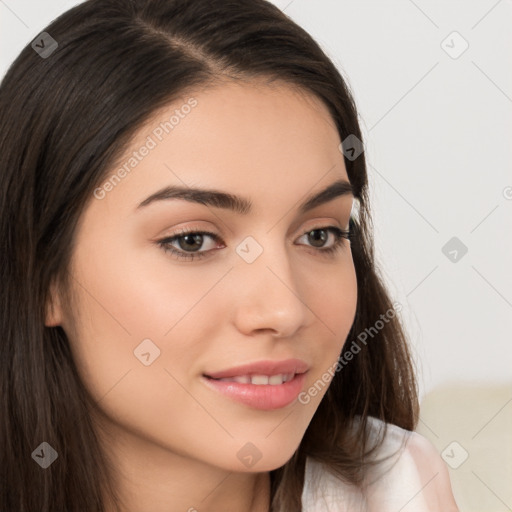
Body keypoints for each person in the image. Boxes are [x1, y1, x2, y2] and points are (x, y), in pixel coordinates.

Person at [0, 0, 460, 510]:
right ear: (41, 272)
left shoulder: (395, 488)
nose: (285, 311)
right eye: (192, 240)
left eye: (319, 235)